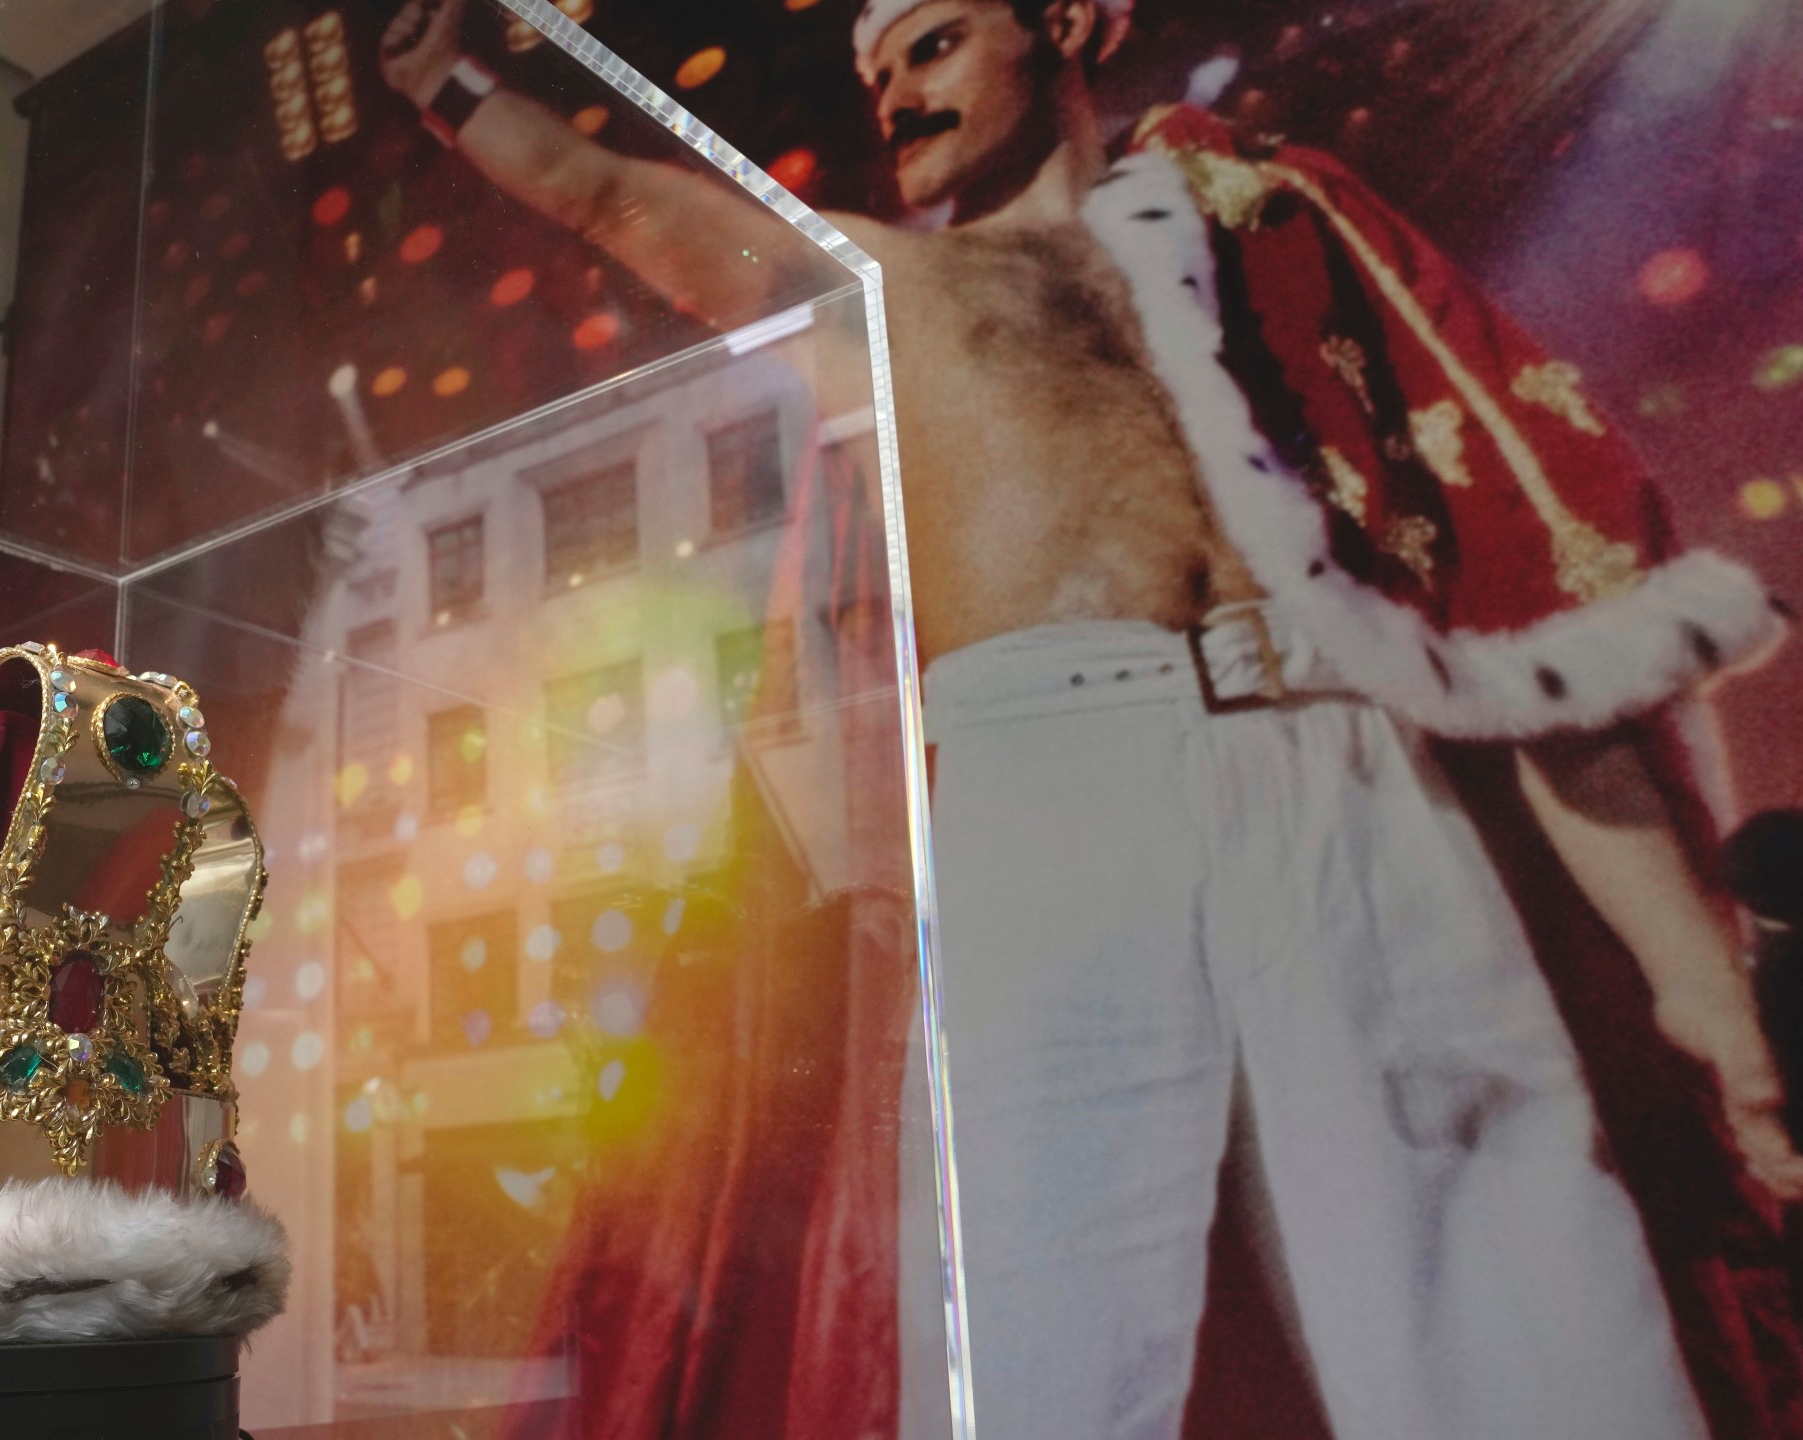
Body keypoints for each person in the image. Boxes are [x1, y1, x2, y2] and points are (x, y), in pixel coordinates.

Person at [380, 1, 1803, 1436]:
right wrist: (439, 78)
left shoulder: (1270, 244)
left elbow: (1509, 608)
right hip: (1052, 798)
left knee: (1528, 1296)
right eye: (877, 75)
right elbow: (605, 191)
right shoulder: (870, 282)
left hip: (1342, 767)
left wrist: (1697, 983)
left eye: (930, 46)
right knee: (1036, 1340)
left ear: (1065, 22)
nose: (897, 97)